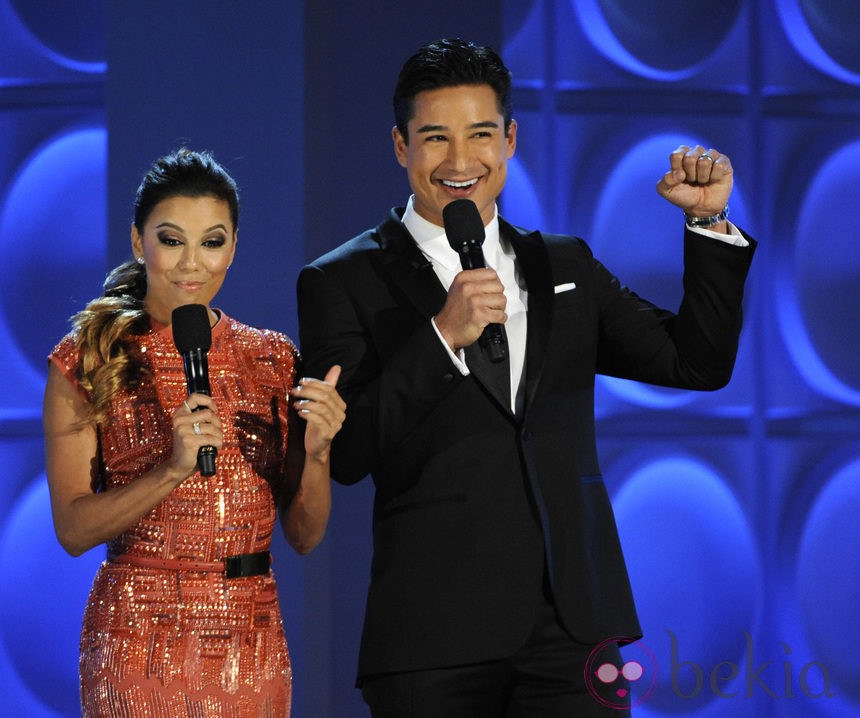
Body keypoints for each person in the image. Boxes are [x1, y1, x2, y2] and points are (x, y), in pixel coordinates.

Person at [296, 38, 755, 716]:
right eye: (434, 138)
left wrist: (708, 223)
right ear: (400, 146)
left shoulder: (563, 266)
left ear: (509, 140)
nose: (460, 161)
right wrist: (441, 337)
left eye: (480, 134)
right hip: (432, 637)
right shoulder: (342, 278)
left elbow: (696, 363)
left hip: (571, 633)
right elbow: (350, 451)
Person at [43, 148, 345, 717]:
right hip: (137, 638)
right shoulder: (89, 360)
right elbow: (73, 529)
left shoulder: (273, 358)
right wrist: (173, 469)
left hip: (249, 636)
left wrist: (319, 453)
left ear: (233, 247)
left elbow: (304, 536)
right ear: (138, 242)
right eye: (171, 239)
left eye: (212, 241)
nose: (192, 264)